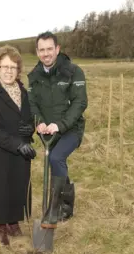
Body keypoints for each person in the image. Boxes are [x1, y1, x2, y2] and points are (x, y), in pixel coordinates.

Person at [0, 45, 37, 246]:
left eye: (13, 67)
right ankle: (1, 227)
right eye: (4, 67)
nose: (9, 71)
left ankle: (14, 223)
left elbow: (30, 118)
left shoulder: (24, 93)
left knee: (17, 185)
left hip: (20, 150)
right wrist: (17, 144)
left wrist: (29, 130)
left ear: (18, 70)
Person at [27, 31, 88, 229]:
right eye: (42, 50)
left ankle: (53, 208)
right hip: (48, 131)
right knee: (57, 165)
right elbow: (32, 103)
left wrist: (60, 125)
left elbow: (80, 102)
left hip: (71, 129)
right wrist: (39, 122)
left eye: (49, 49)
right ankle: (66, 207)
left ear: (57, 49)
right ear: (37, 52)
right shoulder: (34, 76)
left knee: (55, 159)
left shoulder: (73, 71)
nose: (46, 54)